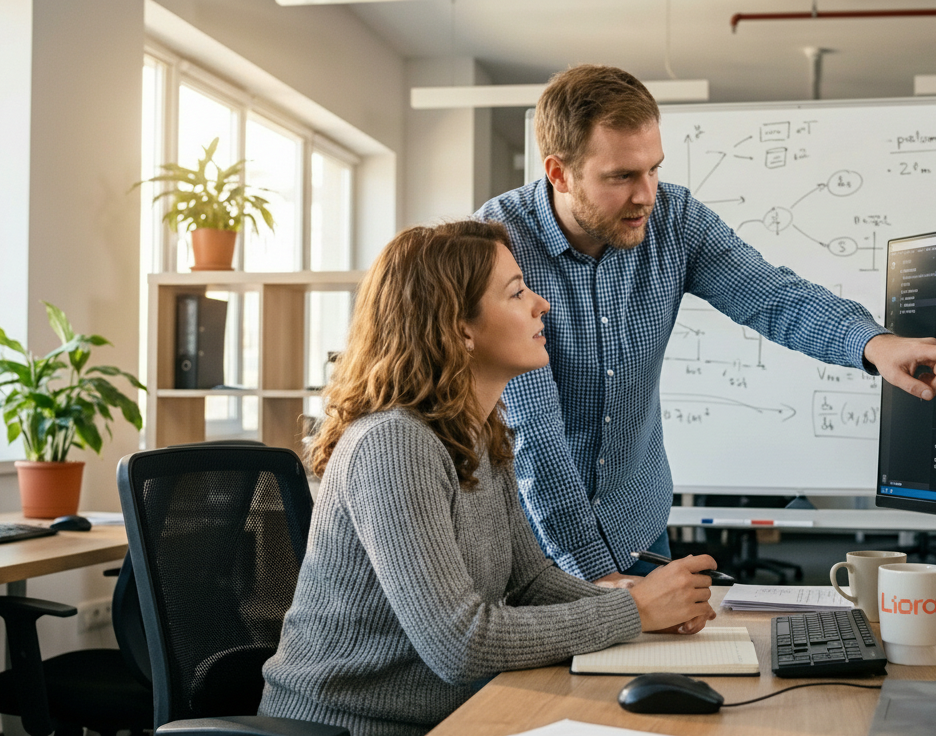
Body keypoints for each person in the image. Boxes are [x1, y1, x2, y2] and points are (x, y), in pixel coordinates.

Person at [475, 65, 936, 586]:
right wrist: (601, 580)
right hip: (534, 544)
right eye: (621, 176)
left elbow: (773, 297)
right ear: (559, 173)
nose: (646, 195)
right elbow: (532, 432)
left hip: (636, 525)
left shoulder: (674, 220)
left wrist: (874, 344)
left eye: (653, 169)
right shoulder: (495, 251)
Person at [259, 220, 718, 736]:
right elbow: (460, 644)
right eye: (517, 293)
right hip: (350, 728)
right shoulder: (393, 444)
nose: (541, 304)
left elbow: (529, 582)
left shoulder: (477, 431)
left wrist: (647, 604)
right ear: (459, 329)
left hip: (451, 717)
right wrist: (633, 610)